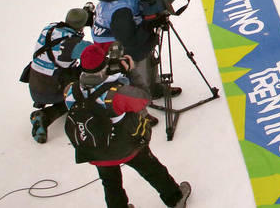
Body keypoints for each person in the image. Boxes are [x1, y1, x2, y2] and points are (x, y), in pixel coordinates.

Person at [63, 44, 192, 208]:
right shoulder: (116, 94)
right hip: (126, 146)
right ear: (105, 64)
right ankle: (175, 198)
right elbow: (144, 98)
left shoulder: (70, 91)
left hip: (94, 149)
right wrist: (131, 72)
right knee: (152, 170)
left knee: (110, 183)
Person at [91, 0, 178, 98]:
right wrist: (149, 24)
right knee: (140, 52)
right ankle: (145, 93)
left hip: (116, 30)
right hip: (112, 42)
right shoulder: (122, 9)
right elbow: (129, 41)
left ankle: (152, 85)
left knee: (147, 41)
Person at [25, 6, 91, 143]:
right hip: (52, 90)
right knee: (85, 85)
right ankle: (46, 116)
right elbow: (95, 54)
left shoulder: (49, 28)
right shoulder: (74, 45)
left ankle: (43, 106)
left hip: (34, 83)